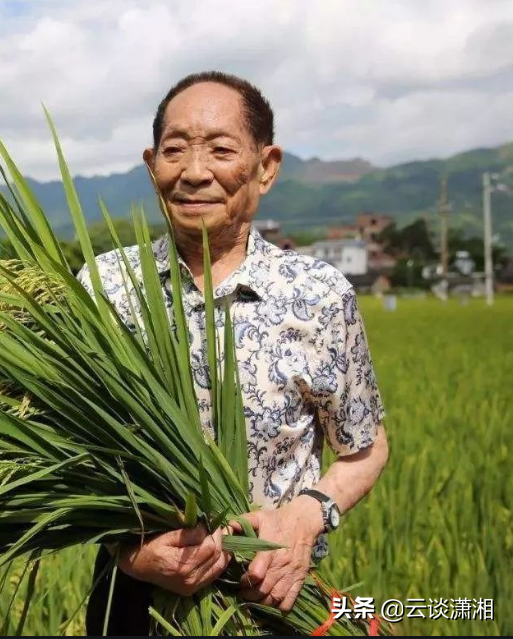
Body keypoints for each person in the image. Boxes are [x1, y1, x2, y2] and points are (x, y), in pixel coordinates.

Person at [78, 71, 389, 635]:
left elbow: (364, 447)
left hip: (275, 600)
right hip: (131, 601)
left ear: (266, 167)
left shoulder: (317, 295)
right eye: (175, 151)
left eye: (221, 150)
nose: (195, 173)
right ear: (152, 166)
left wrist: (304, 516)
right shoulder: (104, 287)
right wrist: (131, 553)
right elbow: (70, 453)